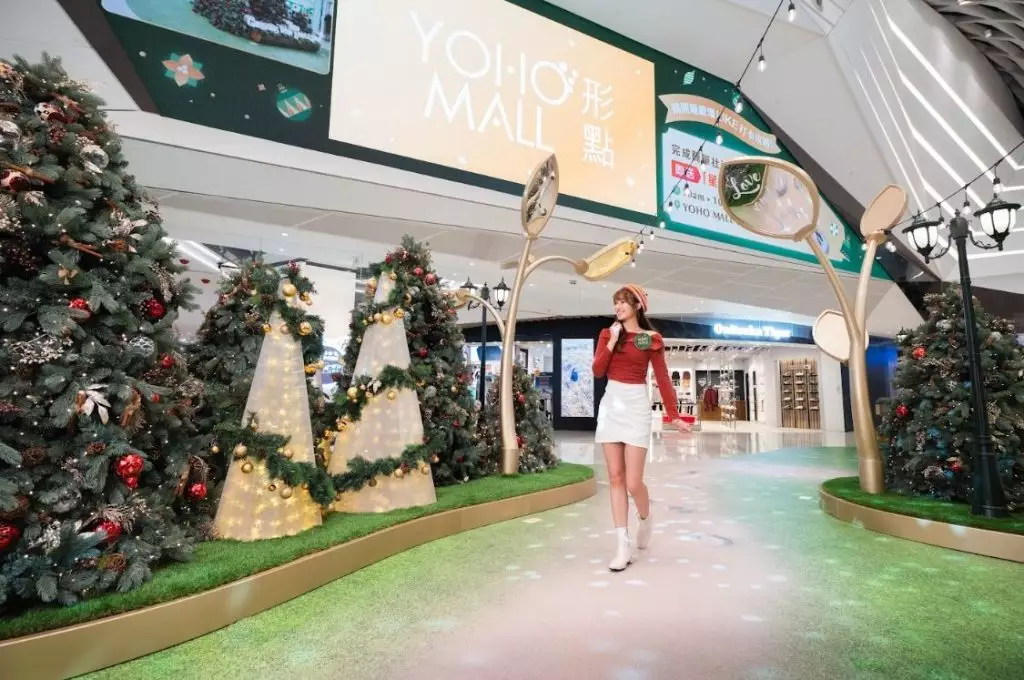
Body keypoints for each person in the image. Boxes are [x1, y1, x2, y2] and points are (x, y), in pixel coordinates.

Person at [592, 284, 691, 572]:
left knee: (633, 483)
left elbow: (662, 376)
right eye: (616, 302)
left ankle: (645, 519)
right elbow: (598, 370)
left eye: (624, 302)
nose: (618, 306)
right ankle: (622, 544)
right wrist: (612, 341)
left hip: (636, 406)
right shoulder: (608, 334)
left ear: (638, 306)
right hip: (611, 404)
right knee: (615, 476)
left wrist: (674, 415)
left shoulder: (650, 339)